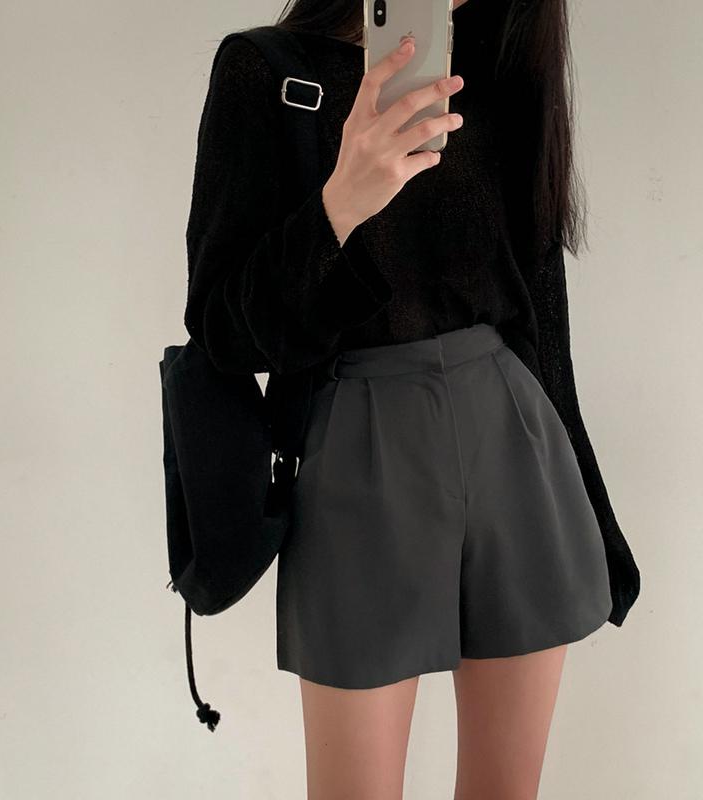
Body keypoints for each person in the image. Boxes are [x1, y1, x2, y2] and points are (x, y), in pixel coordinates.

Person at [183, 0, 640, 797]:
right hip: (357, 453)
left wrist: (595, 514)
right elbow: (222, 331)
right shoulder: (269, 72)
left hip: (516, 445)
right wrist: (340, 206)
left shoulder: (499, 71)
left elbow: (541, 317)